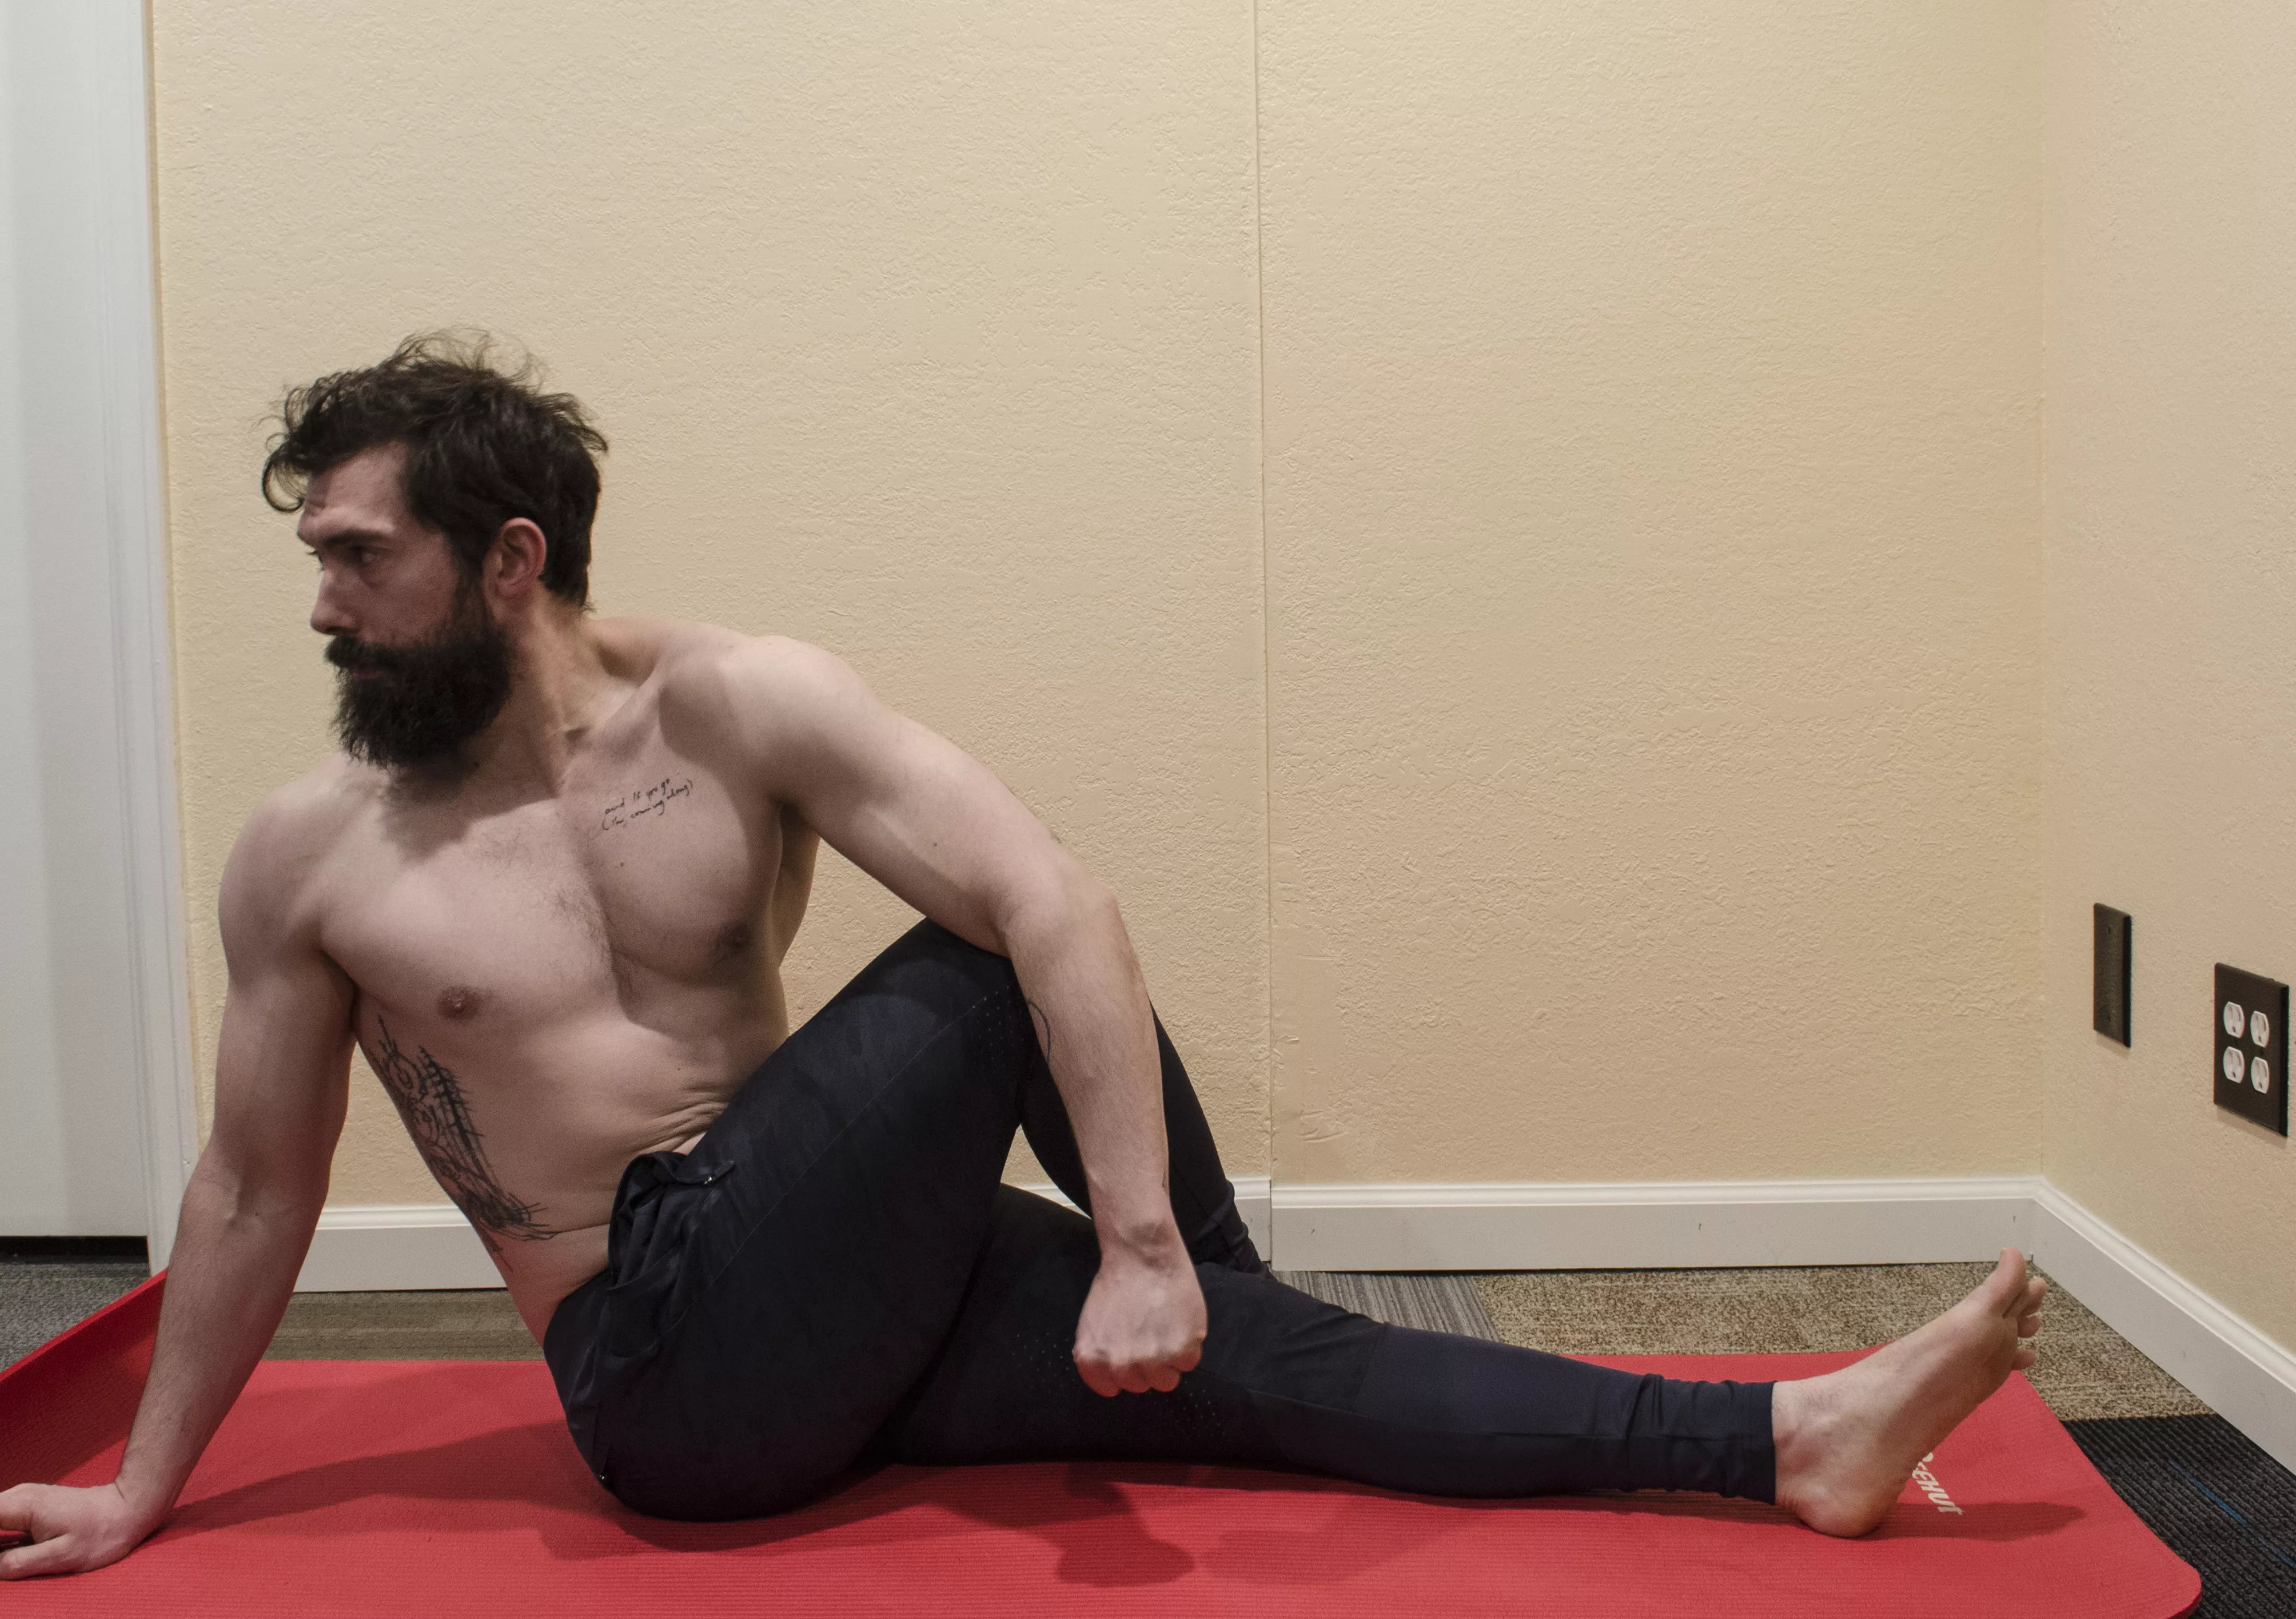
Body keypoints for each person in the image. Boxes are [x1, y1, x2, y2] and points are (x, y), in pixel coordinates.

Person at [0, 335, 2046, 1578]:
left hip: (837, 1285)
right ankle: (1212, 1284)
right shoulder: (314, 856)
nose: (328, 602)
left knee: (1260, 1319)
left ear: (507, 561)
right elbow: (255, 1187)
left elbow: (1065, 899)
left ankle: (1784, 1440)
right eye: (319, 562)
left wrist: (1141, 1257)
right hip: (664, 1373)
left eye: (360, 554)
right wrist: (141, 1493)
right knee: (995, 961)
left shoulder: (741, 705)